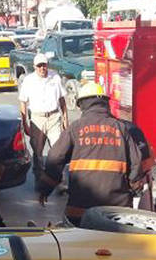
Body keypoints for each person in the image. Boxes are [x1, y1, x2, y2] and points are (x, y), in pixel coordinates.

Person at [37, 82, 144, 225]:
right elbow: (136, 162)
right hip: (117, 210)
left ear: (82, 104)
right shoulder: (121, 128)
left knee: (80, 239)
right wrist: (136, 188)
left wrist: (45, 189)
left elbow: (55, 158)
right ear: (105, 103)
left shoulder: (75, 128)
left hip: (80, 209)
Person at [18, 53, 67, 178]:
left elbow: (62, 99)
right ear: (34, 67)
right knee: (38, 151)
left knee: (58, 150)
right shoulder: (29, 80)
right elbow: (23, 102)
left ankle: (59, 177)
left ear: (47, 65)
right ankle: (39, 177)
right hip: (37, 119)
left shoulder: (55, 77)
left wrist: (65, 119)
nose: (42, 68)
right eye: (39, 66)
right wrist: (25, 123)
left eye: (44, 65)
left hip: (54, 118)